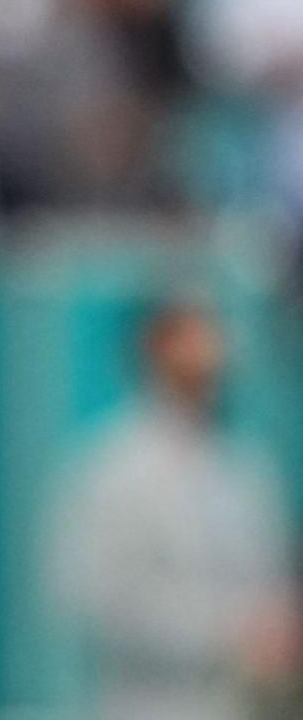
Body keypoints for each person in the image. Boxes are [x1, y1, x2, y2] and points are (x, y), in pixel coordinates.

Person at [50, 300, 298, 720]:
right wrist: (230, 630)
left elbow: (271, 581)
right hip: (152, 703)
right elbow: (96, 599)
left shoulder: (244, 467)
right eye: (194, 335)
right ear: (155, 348)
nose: (213, 348)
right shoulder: (110, 470)